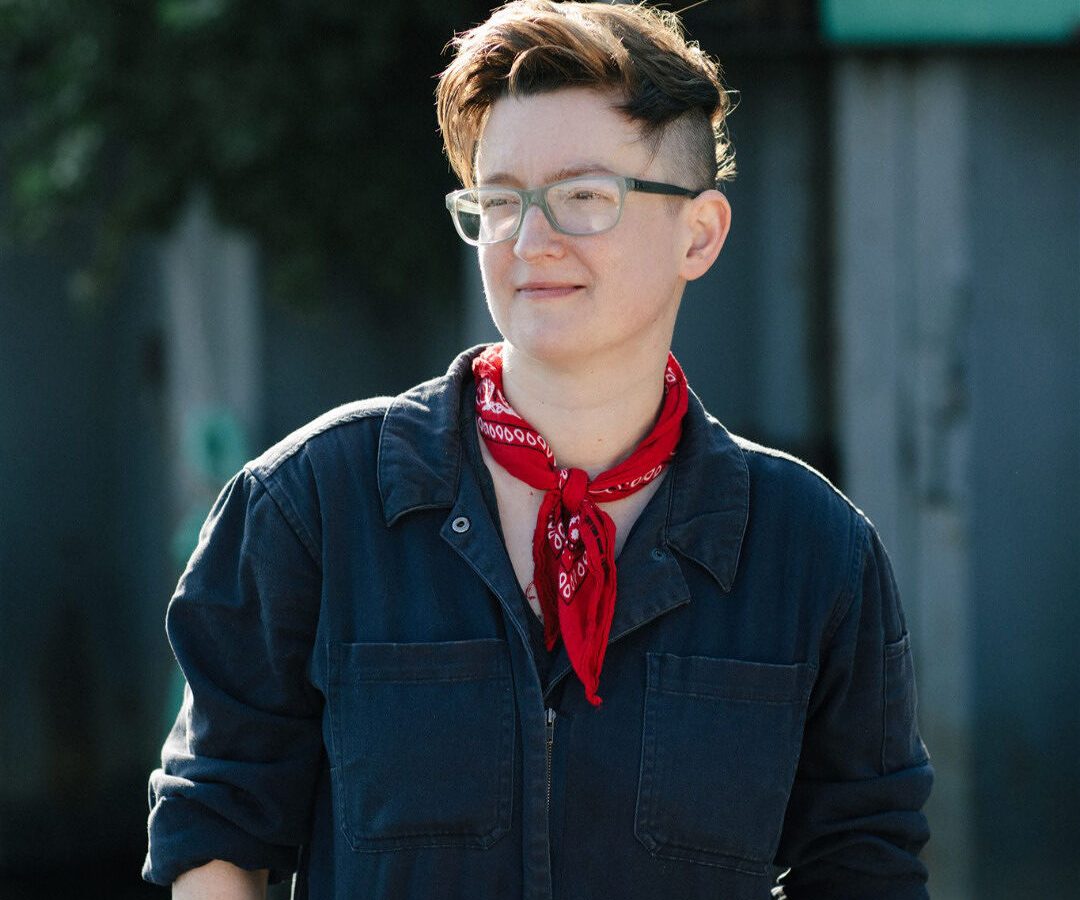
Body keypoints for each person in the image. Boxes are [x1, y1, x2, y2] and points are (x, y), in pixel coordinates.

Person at [143, 1, 933, 897]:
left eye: (583, 197)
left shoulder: (814, 551)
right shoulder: (311, 507)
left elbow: (864, 859)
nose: (529, 240)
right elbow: (214, 828)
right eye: (501, 199)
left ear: (700, 234)